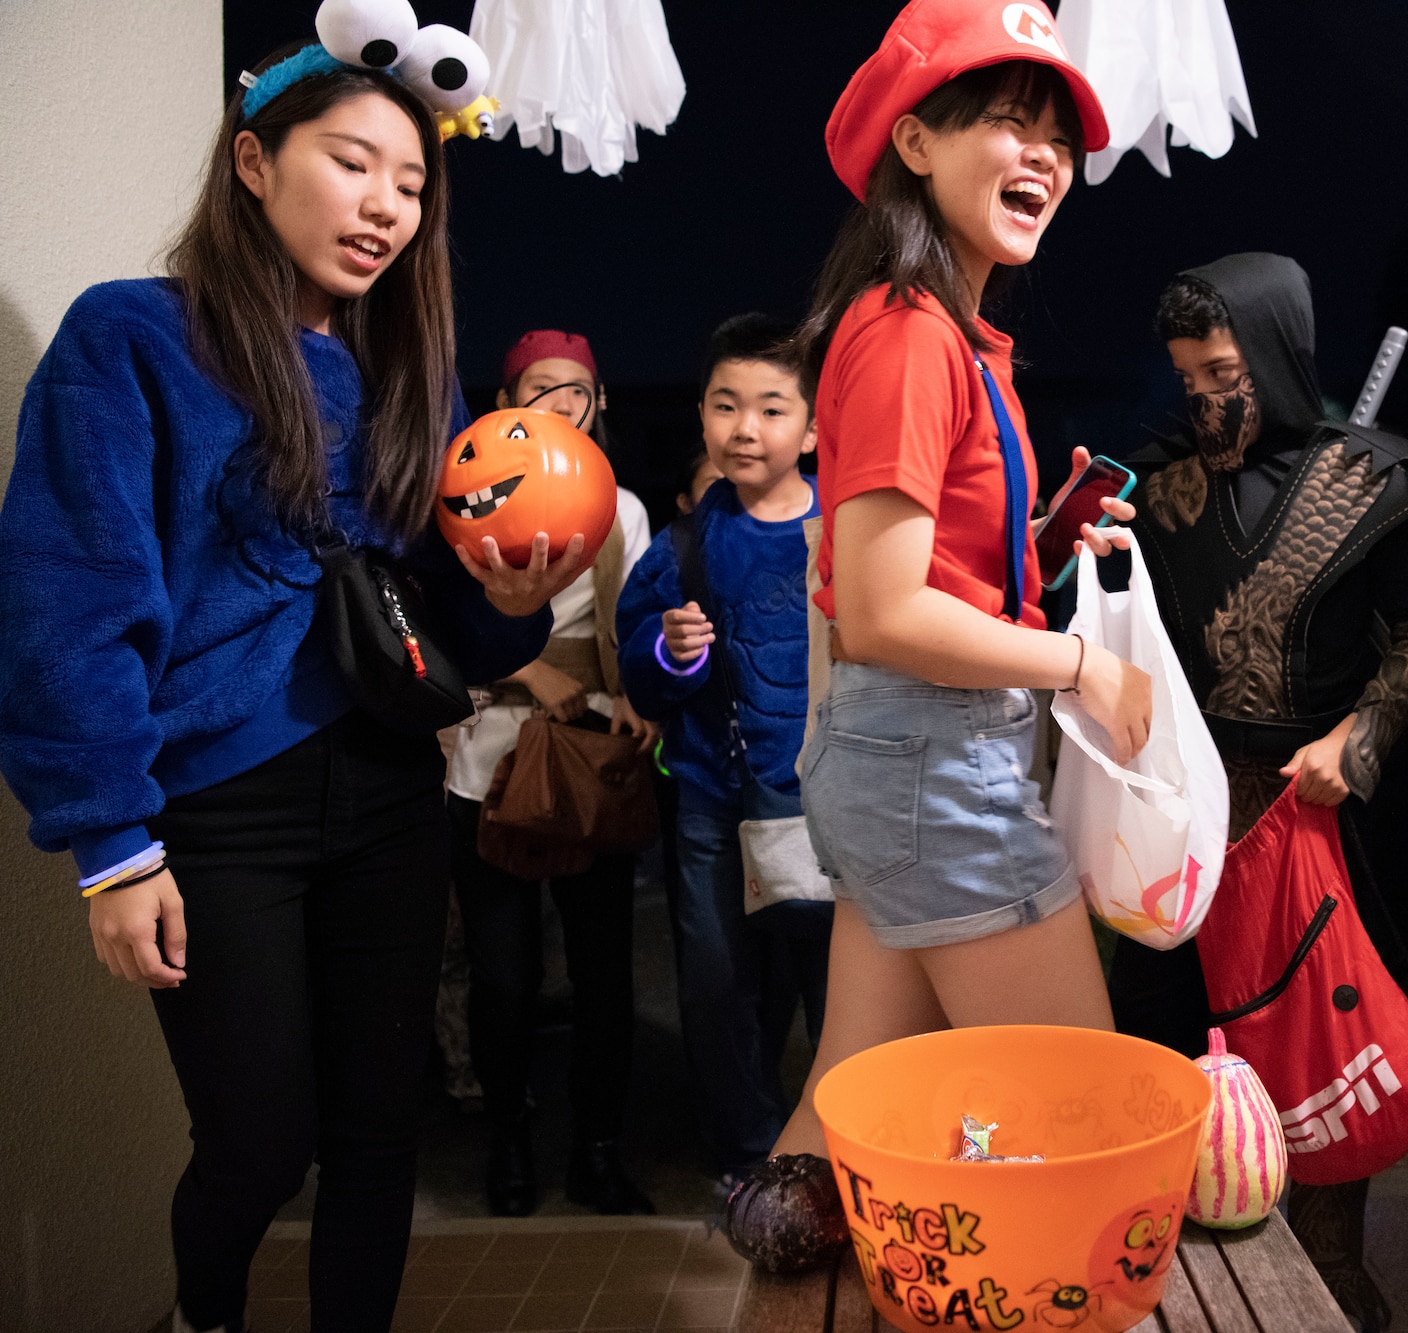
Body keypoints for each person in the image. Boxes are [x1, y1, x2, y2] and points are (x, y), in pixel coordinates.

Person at [0, 39, 583, 1333]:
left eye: (411, 183)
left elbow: (452, 635)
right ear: (255, 163)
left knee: (380, 1135)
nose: (386, 203)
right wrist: (111, 844)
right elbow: (67, 600)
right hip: (213, 813)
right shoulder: (131, 338)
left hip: (387, 792)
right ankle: (204, 1316)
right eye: (352, 162)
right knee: (259, 1145)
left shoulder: (407, 376)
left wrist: (509, 599)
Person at [715, 0, 1152, 1272]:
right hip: (932, 762)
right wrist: (1086, 661)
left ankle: (783, 1246)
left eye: (1058, 136)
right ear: (912, 140)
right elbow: (890, 611)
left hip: (909, 761)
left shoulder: (949, 334)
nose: (1044, 158)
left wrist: (1039, 544)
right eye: (1006, 121)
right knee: (1078, 1107)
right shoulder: (909, 335)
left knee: (848, 1100)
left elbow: (919, 572)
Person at [1105, 254, 1408, 1331]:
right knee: (1156, 1043)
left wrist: (1360, 734)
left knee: (1311, 1052)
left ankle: (1328, 1276)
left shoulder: (1375, 482)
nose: (1201, 397)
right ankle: (1173, 1278)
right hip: (1184, 815)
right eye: (1183, 375)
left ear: (1270, 355)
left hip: (1311, 814)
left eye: (1220, 370)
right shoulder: (1158, 493)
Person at [445, 329, 658, 1217]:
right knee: (503, 976)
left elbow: (643, 622)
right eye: (537, 390)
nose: (557, 406)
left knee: (606, 969)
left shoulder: (625, 509)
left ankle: (598, 1146)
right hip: (482, 762)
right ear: (504, 404)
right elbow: (434, 625)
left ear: (597, 404)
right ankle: (508, 1137)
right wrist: (531, 669)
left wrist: (647, 684)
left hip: (591, 763)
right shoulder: (461, 498)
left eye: (575, 391)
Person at [615, 314, 832, 1187]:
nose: (746, 428)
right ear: (701, 413)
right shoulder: (682, 547)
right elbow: (642, 680)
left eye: (773, 409)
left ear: (814, 427)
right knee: (715, 986)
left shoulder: (848, 529)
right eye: (726, 405)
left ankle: (842, 1154)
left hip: (830, 808)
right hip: (713, 801)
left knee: (840, 995)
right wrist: (670, 652)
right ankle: (751, 1157)